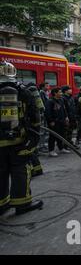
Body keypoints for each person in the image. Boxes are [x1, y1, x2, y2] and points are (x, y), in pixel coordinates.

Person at [0, 61, 44, 216]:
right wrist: (33, 138)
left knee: (1, 173)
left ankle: (2, 204)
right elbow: (35, 116)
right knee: (20, 171)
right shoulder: (23, 91)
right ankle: (22, 203)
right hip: (18, 140)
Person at [45, 87, 71, 157]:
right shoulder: (50, 101)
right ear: (55, 93)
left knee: (61, 135)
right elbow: (47, 112)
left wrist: (66, 117)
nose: (61, 93)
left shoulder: (61, 100)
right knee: (52, 136)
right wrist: (51, 121)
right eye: (59, 92)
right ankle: (51, 151)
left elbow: (64, 109)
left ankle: (61, 148)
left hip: (61, 121)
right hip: (54, 122)